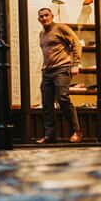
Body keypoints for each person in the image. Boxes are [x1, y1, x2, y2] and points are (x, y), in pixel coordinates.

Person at [36, 7, 82, 143]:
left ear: (52, 16)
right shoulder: (42, 34)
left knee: (62, 98)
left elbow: (76, 43)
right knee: (47, 103)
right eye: (41, 17)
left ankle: (77, 131)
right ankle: (50, 135)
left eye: (46, 15)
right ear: (39, 19)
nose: (44, 18)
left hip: (62, 68)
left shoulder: (61, 28)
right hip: (47, 71)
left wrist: (76, 64)